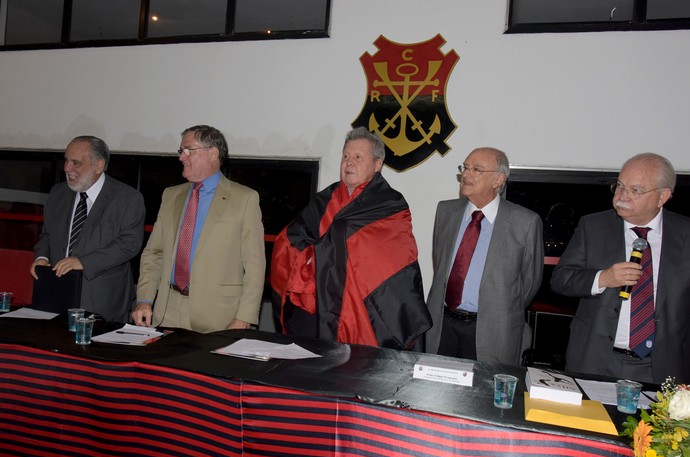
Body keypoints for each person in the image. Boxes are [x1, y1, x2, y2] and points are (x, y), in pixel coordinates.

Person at [271, 127, 431, 349]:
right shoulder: (324, 200)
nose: (349, 162)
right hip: (316, 305)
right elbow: (290, 239)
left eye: (358, 157)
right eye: (345, 156)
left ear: (377, 165)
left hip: (363, 310)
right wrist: (311, 259)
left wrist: (324, 252)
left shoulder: (389, 205)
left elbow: (393, 261)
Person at [551, 153, 690, 384]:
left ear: (662, 196)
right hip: (596, 360)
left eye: (635, 190)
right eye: (620, 186)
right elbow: (560, 279)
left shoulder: (685, 234)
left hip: (662, 366)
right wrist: (602, 278)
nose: (622, 197)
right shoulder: (593, 226)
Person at [132, 125, 265, 333]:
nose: (181, 157)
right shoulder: (170, 196)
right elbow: (154, 253)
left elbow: (255, 265)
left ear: (212, 154)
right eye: (181, 151)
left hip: (219, 316)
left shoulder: (244, 199)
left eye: (188, 150)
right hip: (168, 311)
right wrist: (144, 299)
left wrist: (244, 317)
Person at [425, 147, 543, 365]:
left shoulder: (524, 223)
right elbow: (440, 263)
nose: (467, 174)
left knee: (484, 396)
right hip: (443, 325)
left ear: (498, 180)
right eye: (465, 168)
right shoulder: (446, 212)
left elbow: (529, 284)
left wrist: (497, 306)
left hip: (492, 330)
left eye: (477, 169)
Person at [31, 136, 145, 322]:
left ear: (99, 165)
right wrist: (42, 258)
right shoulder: (58, 193)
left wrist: (83, 262)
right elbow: (47, 235)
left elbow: (129, 244)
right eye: (66, 160)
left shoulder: (127, 198)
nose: (67, 168)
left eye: (76, 163)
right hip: (58, 295)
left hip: (103, 300)